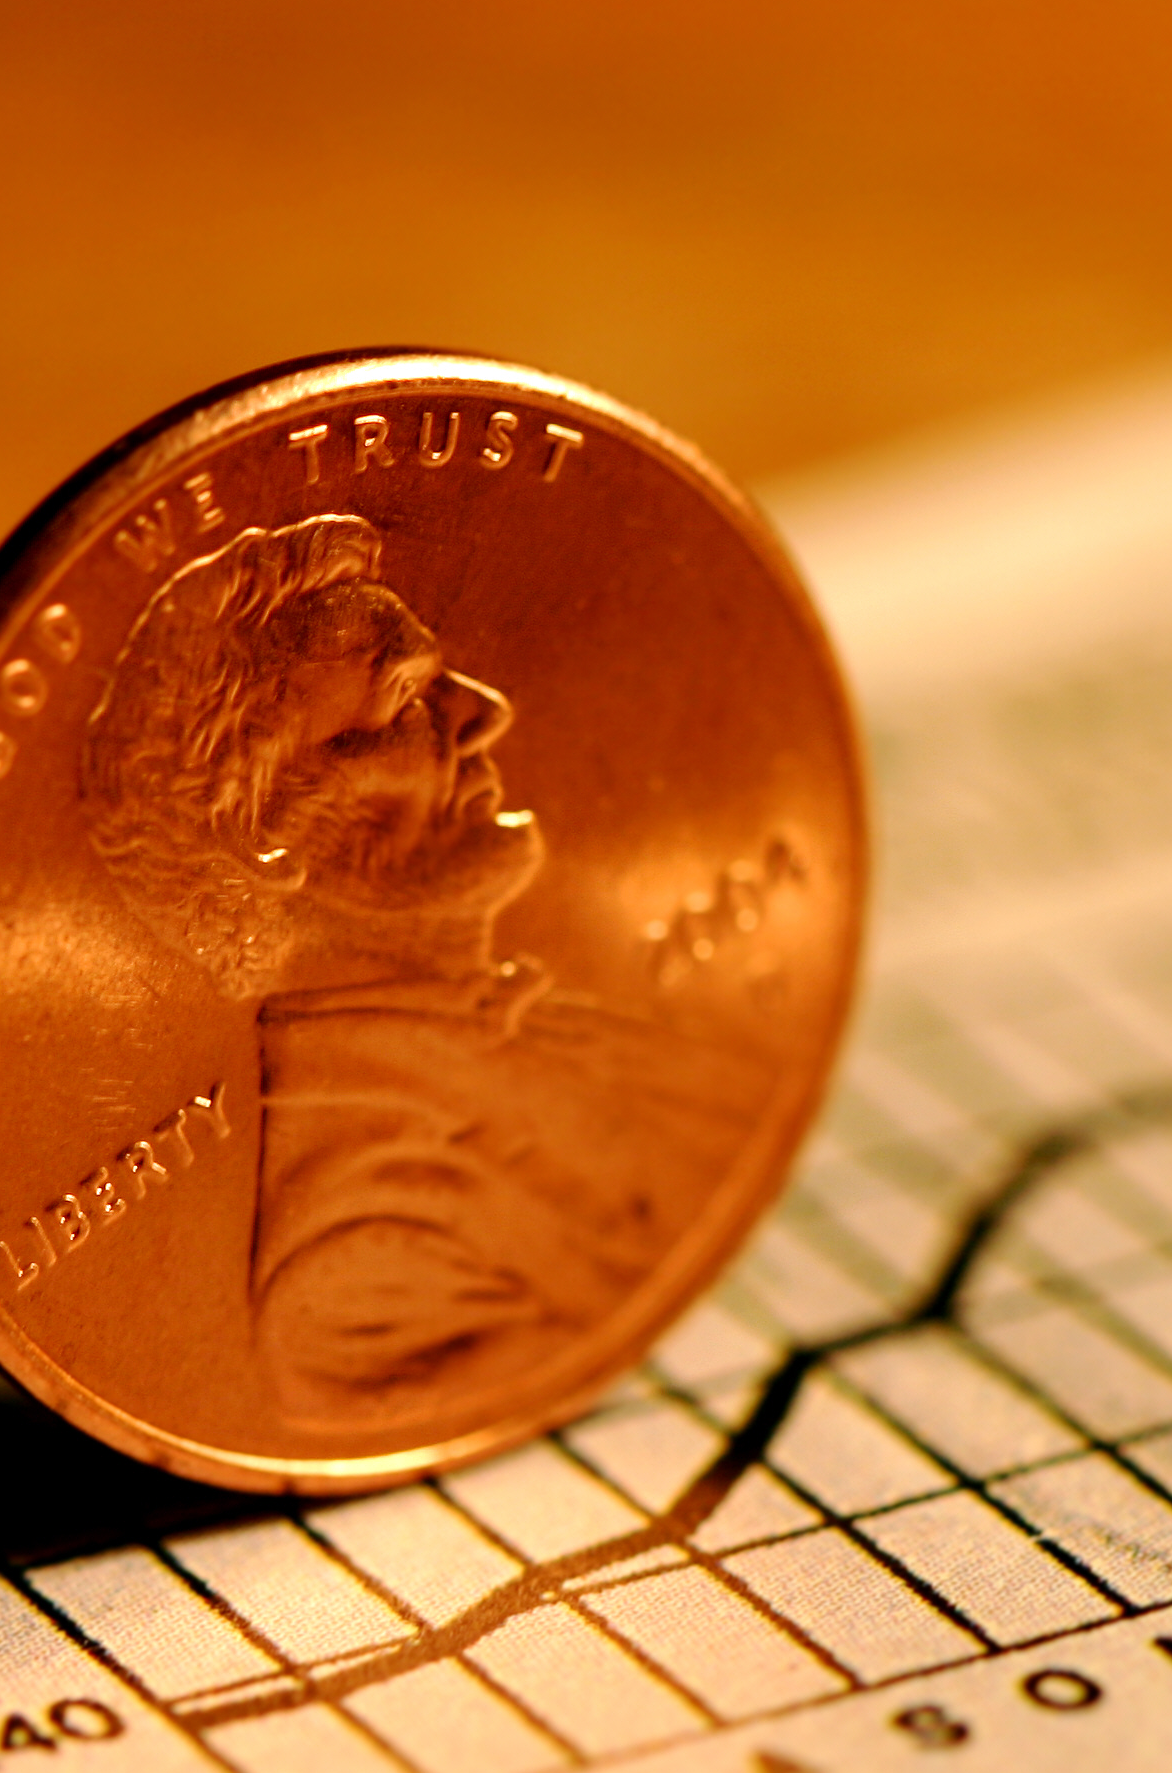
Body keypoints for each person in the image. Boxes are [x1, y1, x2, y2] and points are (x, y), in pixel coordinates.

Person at [80, 514, 768, 1430]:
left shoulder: (525, 1033)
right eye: (405, 698)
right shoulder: (358, 1266)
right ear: (267, 839)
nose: (486, 710)